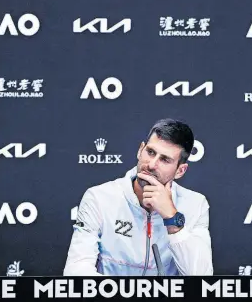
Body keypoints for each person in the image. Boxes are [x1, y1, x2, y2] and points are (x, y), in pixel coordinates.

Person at [63, 118, 213, 276]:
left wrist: (171, 217)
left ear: (180, 171)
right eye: (150, 152)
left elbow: (201, 279)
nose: (152, 164)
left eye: (165, 160)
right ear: (140, 150)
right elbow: (76, 271)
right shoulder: (99, 198)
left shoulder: (196, 204)